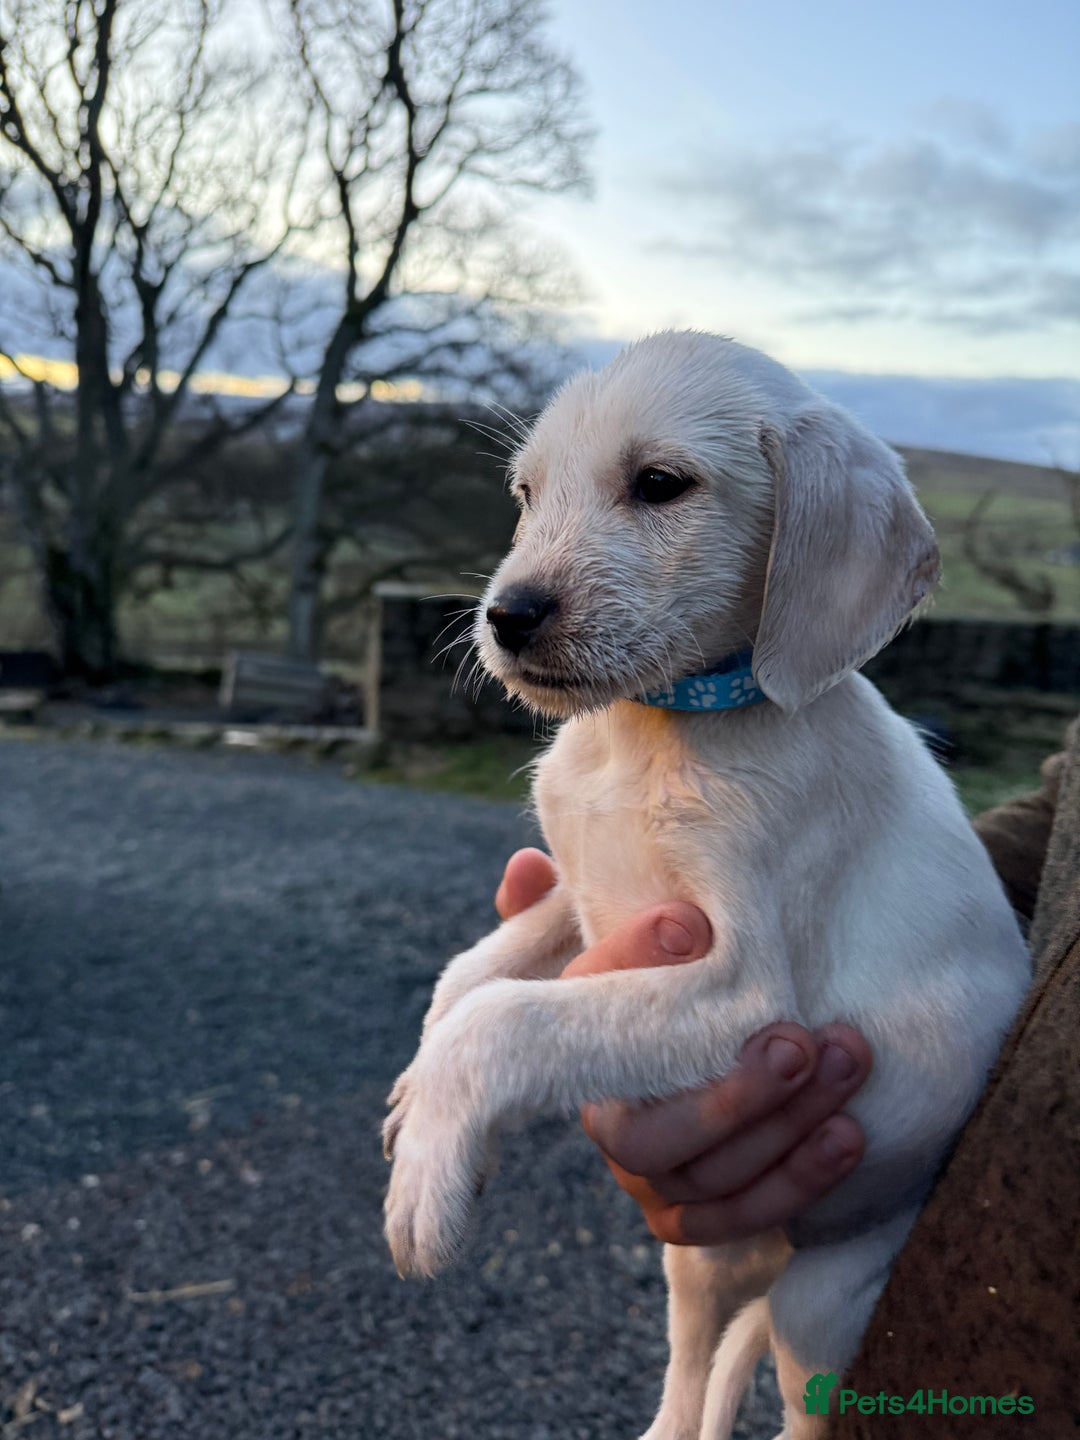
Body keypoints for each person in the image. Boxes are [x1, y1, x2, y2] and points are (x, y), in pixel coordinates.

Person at [494, 721, 1078, 1436]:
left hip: (992, 1363)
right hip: (911, 1216)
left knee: (814, 1316)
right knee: (722, 1260)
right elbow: (1065, 813)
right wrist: (835, 889)